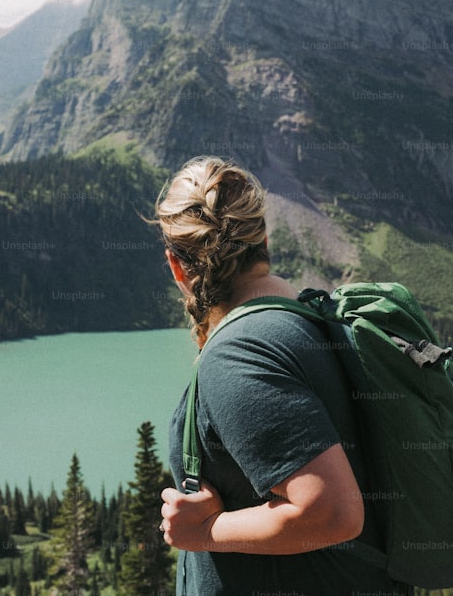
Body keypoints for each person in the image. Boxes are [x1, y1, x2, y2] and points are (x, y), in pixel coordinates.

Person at [153, 156, 411, 595]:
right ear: (264, 242)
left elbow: (332, 512)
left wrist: (205, 532)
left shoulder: (240, 354)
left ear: (179, 268)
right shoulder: (309, 318)